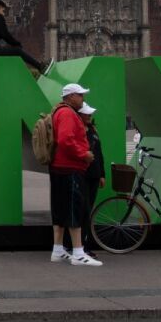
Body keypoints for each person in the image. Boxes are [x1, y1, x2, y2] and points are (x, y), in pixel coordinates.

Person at [48, 83, 101, 266]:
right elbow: (66, 140)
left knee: (60, 209)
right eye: (80, 95)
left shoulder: (58, 111)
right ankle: (78, 253)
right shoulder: (68, 114)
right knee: (74, 209)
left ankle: (58, 250)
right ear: (70, 96)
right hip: (70, 168)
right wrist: (83, 154)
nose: (82, 98)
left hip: (59, 167)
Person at [67, 102, 105, 256]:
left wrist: (102, 174)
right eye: (86, 114)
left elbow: (99, 154)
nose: (89, 116)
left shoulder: (93, 130)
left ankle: (81, 244)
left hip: (93, 176)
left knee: (87, 211)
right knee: (81, 210)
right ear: (79, 115)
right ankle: (77, 246)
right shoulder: (76, 131)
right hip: (80, 174)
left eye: (90, 113)